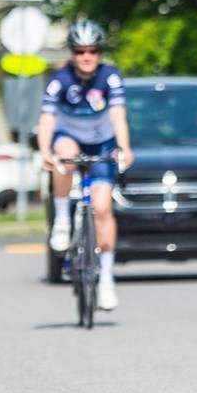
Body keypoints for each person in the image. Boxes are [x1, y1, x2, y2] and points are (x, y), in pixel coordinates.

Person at [38, 19, 134, 311]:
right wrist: (45, 150)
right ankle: (62, 221)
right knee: (65, 155)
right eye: (80, 51)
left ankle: (106, 280)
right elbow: (47, 119)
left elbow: (118, 115)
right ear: (72, 53)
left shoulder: (110, 76)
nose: (86, 56)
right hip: (69, 136)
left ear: (100, 52)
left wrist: (124, 147)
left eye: (92, 50)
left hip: (101, 141)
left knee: (102, 209)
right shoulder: (59, 80)